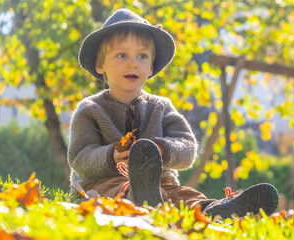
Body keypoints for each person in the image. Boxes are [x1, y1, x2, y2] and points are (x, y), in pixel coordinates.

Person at [67, 8, 279, 219]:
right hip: (103, 184)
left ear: (151, 67)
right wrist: (110, 156)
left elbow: (187, 147)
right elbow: (80, 157)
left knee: (184, 195)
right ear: (100, 64)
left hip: (160, 184)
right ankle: (137, 197)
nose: (133, 63)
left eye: (142, 56)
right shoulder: (91, 109)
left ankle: (215, 209)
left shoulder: (160, 107)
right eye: (122, 55)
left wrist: (162, 149)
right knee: (112, 190)